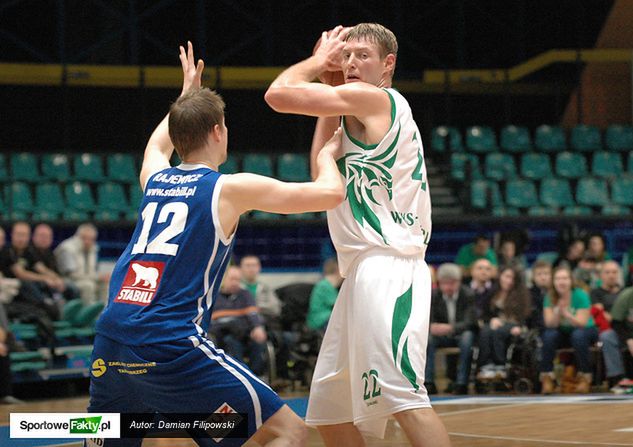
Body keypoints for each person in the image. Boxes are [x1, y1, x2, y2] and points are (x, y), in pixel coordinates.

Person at [88, 42, 344, 447]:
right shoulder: (228, 188)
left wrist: (187, 95)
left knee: (117, 436)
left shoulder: (154, 180)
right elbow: (328, 195)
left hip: (112, 335)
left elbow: (156, 148)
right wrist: (330, 157)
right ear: (219, 131)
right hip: (169, 344)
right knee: (287, 431)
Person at [266, 23, 450, 446]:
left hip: (389, 267)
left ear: (388, 65)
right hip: (361, 275)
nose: (350, 62)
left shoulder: (378, 98)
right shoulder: (353, 112)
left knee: (404, 397)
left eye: (361, 55)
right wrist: (330, 85)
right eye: (345, 55)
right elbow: (321, 179)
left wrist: (317, 62)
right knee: (330, 411)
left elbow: (278, 95)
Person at [540, 266, 598, 394]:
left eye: (565, 278)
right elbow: (550, 324)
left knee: (578, 335)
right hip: (564, 332)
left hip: (586, 330)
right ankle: (548, 377)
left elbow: (581, 323)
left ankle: (585, 376)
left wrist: (567, 314)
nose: (561, 282)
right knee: (548, 335)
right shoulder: (550, 297)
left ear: (571, 281)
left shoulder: (580, 295)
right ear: (553, 282)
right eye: (558, 279)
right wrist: (556, 312)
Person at [425, 263, 477, 395]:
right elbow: (426, 318)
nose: (448, 287)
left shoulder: (468, 294)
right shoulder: (433, 296)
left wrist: (451, 328)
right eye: (444, 283)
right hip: (440, 336)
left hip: (459, 333)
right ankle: (428, 382)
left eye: (452, 283)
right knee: (428, 339)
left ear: (459, 282)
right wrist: (431, 326)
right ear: (439, 283)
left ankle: (461, 383)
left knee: (467, 337)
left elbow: (471, 321)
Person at [211, 266, 268, 377]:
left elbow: (253, 314)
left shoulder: (245, 294)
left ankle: (256, 375)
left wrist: (257, 327)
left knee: (259, 340)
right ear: (223, 279)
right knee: (231, 341)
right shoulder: (214, 297)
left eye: (238, 279)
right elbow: (212, 322)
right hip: (224, 335)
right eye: (232, 279)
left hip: (245, 333)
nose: (235, 283)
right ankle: (240, 374)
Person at [476, 267, 531, 380]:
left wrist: (518, 326)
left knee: (498, 332)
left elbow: (525, 316)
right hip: (496, 323)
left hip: (514, 326)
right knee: (486, 331)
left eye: (512, 278)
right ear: (500, 277)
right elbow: (484, 314)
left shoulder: (522, 295)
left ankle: (500, 365)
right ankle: (486, 365)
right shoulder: (492, 293)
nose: (509, 281)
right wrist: (492, 320)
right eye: (507, 277)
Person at [590, 261, 626, 387]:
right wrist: (620, 315)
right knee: (606, 337)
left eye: (614, 272)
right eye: (607, 272)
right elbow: (601, 316)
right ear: (601, 275)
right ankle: (617, 378)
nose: (611, 275)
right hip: (609, 330)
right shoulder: (595, 293)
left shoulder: (625, 292)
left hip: (627, 329)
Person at [55, 223, 107, 304]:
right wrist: (96, 277)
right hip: (66, 280)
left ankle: (102, 312)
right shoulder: (67, 249)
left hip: (87, 278)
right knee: (88, 286)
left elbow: (91, 270)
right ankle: (87, 314)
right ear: (77, 236)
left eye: (91, 239)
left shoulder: (93, 249)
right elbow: (71, 275)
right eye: (84, 238)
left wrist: (100, 277)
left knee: (105, 283)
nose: (87, 241)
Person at [31, 223, 80, 303]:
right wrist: (55, 279)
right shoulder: (30, 251)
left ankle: (74, 311)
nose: (44, 239)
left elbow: (56, 271)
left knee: (73, 288)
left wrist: (58, 279)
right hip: (37, 282)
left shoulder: (50, 253)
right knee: (54, 289)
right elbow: (41, 269)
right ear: (34, 237)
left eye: (47, 237)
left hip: (52, 281)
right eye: (42, 236)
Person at [239, 254, 282, 325]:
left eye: (254, 265)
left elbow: (276, 309)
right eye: (248, 265)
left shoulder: (265, 288)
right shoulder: (236, 288)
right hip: (241, 324)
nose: (251, 269)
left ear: (259, 268)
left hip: (265, 323)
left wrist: (256, 308)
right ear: (241, 268)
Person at [306, 258, 342, 332]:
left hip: (321, 320)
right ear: (338, 271)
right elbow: (338, 306)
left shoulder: (324, 284)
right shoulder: (325, 286)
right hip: (321, 320)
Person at [611, 287, 633, 381]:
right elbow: (616, 322)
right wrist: (628, 339)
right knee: (607, 337)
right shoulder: (626, 296)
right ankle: (618, 378)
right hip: (625, 330)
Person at [527, 260, 551, 333]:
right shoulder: (528, 294)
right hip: (538, 329)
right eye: (539, 274)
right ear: (533, 277)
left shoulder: (557, 291)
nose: (543, 277)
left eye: (546, 274)